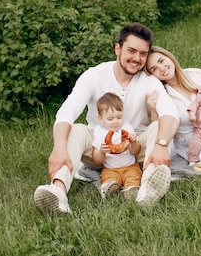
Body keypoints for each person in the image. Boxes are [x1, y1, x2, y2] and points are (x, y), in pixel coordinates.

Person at [34, 23, 180, 214]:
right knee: (77, 129)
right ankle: (58, 192)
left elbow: (170, 111)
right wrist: (59, 147)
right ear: (117, 49)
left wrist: (161, 143)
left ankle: (147, 190)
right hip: (98, 152)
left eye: (143, 54)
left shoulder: (148, 80)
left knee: (160, 127)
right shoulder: (95, 75)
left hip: (135, 149)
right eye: (131, 51)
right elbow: (68, 110)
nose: (137, 58)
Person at [92, 92, 142, 200]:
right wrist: (101, 152)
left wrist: (134, 142)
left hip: (130, 166)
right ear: (100, 118)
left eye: (119, 117)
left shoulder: (127, 129)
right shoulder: (99, 132)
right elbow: (97, 160)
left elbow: (136, 151)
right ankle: (109, 188)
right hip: (110, 168)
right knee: (108, 178)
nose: (115, 122)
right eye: (110, 119)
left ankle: (131, 189)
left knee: (133, 176)